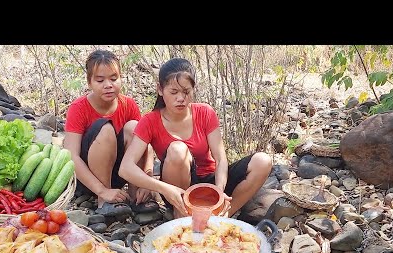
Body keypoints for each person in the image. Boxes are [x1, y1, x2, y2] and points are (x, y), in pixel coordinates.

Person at [119, 57, 272, 218]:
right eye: (173, 92)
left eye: (186, 92)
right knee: (177, 150)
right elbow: (126, 168)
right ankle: (182, 217)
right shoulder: (150, 121)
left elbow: (220, 159)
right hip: (177, 191)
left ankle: (222, 216)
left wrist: (219, 190)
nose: (180, 98)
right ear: (160, 89)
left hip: (210, 181)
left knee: (262, 161)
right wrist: (162, 187)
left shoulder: (205, 112)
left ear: (193, 89)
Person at [64, 49, 157, 215]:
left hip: (120, 172)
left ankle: (136, 195)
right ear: (89, 82)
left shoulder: (128, 105)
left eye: (114, 79)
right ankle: (104, 201)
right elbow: (71, 156)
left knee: (134, 128)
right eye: (100, 80)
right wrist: (101, 190)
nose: (108, 85)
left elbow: (145, 146)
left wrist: (146, 181)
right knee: (105, 128)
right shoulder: (78, 108)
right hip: (90, 177)